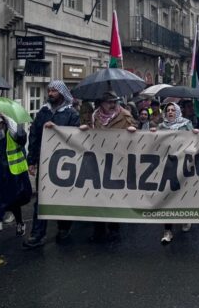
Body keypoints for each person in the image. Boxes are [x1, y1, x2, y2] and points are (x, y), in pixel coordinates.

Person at [23, 80, 81, 249]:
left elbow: (75, 137)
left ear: (62, 93)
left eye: (54, 91)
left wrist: (56, 129)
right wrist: (31, 161)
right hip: (44, 161)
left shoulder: (72, 114)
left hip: (65, 162)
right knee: (41, 199)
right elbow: (34, 135)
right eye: (49, 91)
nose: (50, 94)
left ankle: (64, 227)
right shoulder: (43, 112)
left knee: (63, 196)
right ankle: (37, 233)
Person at [88, 92, 136, 243]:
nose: (112, 104)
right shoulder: (94, 116)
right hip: (98, 160)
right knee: (98, 196)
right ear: (101, 103)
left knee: (114, 195)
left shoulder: (125, 115)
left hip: (117, 161)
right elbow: (88, 135)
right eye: (109, 102)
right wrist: (84, 129)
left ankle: (114, 228)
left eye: (114, 101)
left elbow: (136, 135)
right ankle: (99, 228)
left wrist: (133, 131)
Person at [155, 103, 199, 244]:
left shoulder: (186, 124)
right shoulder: (161, 127)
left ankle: (185, 218)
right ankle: (167, 231)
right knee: (167, 196)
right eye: (168, 110)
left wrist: (195, 135)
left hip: (182, 164)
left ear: (178, 111)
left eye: (173, 110)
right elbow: (155, 143)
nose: (170, 112)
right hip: (167, 165)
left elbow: (194, 142)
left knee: (182, 194)